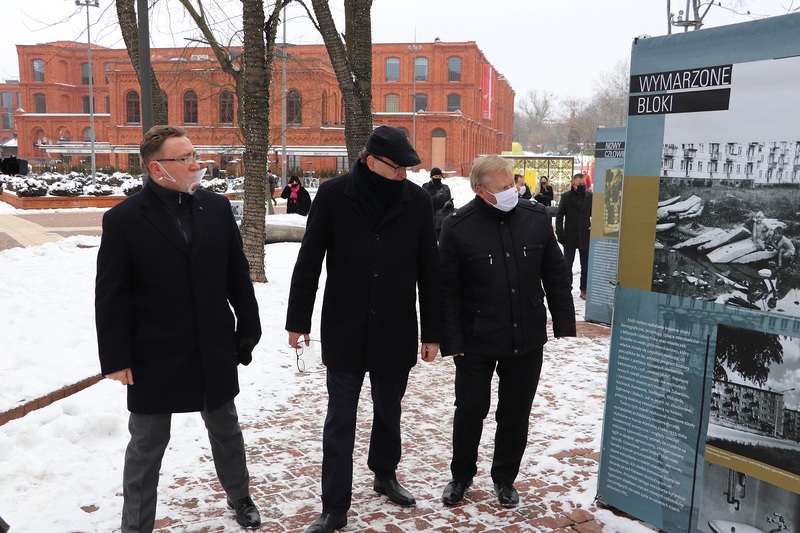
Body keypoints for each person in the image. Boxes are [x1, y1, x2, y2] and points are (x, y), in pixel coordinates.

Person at [95, 125, 262, 532]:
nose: (196, 163)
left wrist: (248, 326)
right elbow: (110, 296)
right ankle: (135, 525)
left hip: (212, 345)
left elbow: (236, 275)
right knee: (146, 447)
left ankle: (239, 495)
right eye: (185, 158)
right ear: (157, 167)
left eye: (194, 154)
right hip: (154, 352)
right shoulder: (123, 220)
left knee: (226, 429)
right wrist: (116, 359)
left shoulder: (216, 208)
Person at [285, 125, 441, 533]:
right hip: (345, 328)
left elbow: (430, 270)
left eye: (409, 168)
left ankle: (384, 473)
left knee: (390, 411)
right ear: (371, 162)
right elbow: (309, 261)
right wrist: (297, 321)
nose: (404, 175)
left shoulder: (418, 201)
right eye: (397, 168)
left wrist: (433, 332)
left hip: (396, 328)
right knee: (340, 420)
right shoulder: (335, 195)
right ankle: (334, 506)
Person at [438, 154, 576, 509]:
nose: (513, 191)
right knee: (470, 410)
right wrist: (451, 341)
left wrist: (564, 323)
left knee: (515, 413)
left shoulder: (535, 218)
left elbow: (556, 274)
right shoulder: (457, 227)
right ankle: (462, 475)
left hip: (526, 336)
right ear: (482, 191)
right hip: (475, 338)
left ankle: (504, 478)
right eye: (503, 187)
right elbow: (447, 290)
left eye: (513, 183)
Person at [555, 172, 592, 300]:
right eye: (579, 184)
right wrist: (560, 233)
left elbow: (596, 214)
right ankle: (566, 289)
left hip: (585, 236)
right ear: (573, 184)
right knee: (567, 265)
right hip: (569, 236)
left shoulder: (590, 196)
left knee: (585, 265)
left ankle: (584, 289)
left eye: (584, 184)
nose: (582, 186)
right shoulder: (566, 197)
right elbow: (559, 216)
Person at [422, 166, 454, 239]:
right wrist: (434, 198)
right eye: (436, 176)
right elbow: (423, 203)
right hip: (431, 220)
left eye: (439, 176)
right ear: (431, 177)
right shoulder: (426, 187)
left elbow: (449, 200)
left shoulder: (445, 188)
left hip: (443, 219)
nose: (438, 178)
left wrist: (449, 204)